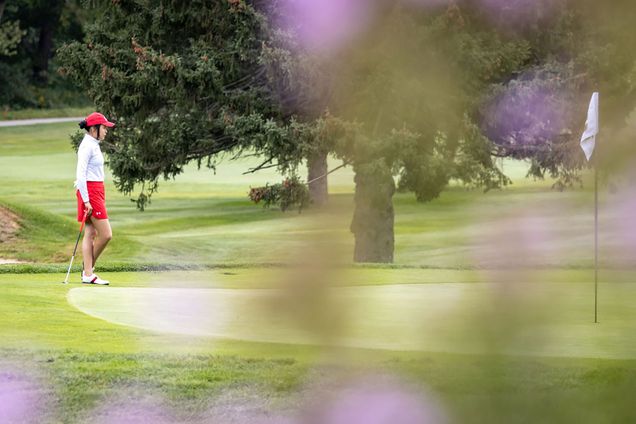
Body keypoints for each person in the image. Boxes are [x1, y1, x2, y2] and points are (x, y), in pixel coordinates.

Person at [75, 112, 115, 285]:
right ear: (93, 129)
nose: (106, 130)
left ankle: (88, 273)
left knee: (91, 233)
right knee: (106, 234)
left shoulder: (94, 143)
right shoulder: (87, 146)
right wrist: (86, 200)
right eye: (104, 127)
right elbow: (80, 174)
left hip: (96, 189)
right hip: (90, 192)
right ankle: (88, 269)